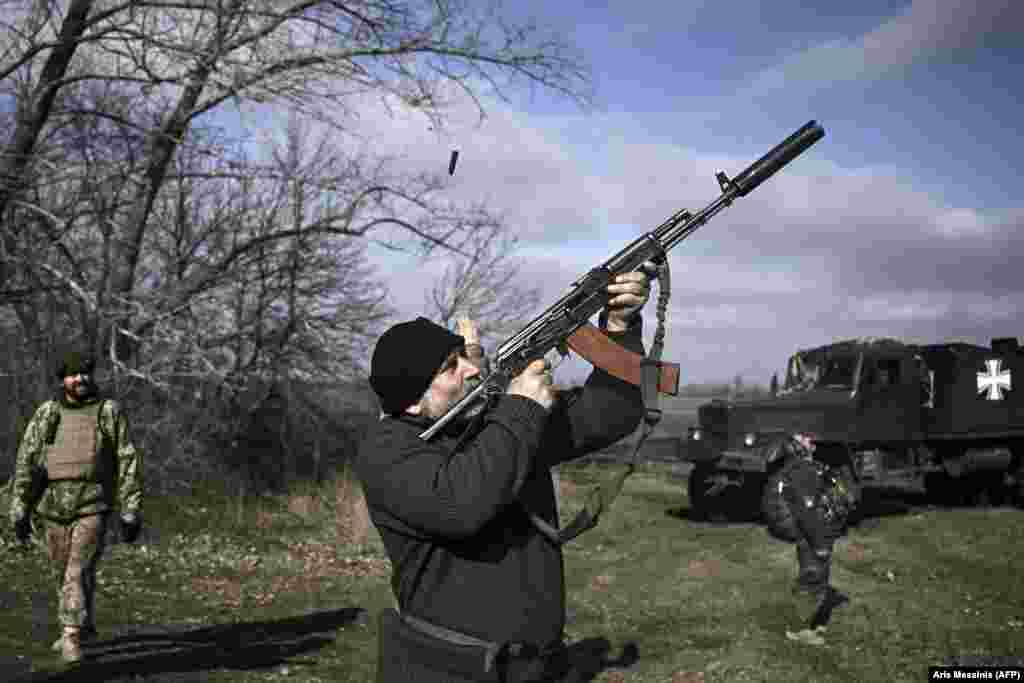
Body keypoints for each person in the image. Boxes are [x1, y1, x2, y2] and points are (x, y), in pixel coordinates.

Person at [356, 272, 652, 682]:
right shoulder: (387, 450)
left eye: (463, 355)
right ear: (411, 402)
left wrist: (618, 329)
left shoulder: (500, 421)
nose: (471, 370)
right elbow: (461, 505)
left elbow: (611, 413)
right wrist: (521, 409)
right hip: (448, 671)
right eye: (449, 367)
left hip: (536, 666)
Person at [9, 351, 144, 664]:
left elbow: (127, 459)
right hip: (51, 507)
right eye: (72, 374)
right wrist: (19, 507)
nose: (80, 379)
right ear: (62, 379)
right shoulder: (47, 413)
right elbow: (27, 460)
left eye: (85, 373)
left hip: (92, 504)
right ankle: (83, 623)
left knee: (76, 570)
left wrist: (130, 510)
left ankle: (70, 635)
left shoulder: (107, 412)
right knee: (62, 572)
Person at [761, 432, 855, 646]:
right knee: (812, 577)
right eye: (805, 437)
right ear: (795, 445)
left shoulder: (804, 468)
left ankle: (814, 621)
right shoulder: (802, 471)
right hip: (812, 536)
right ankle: (800, 629)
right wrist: (820, 543)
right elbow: (807, 512)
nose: (812, 440)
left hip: (813, 533)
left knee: (819, 576)